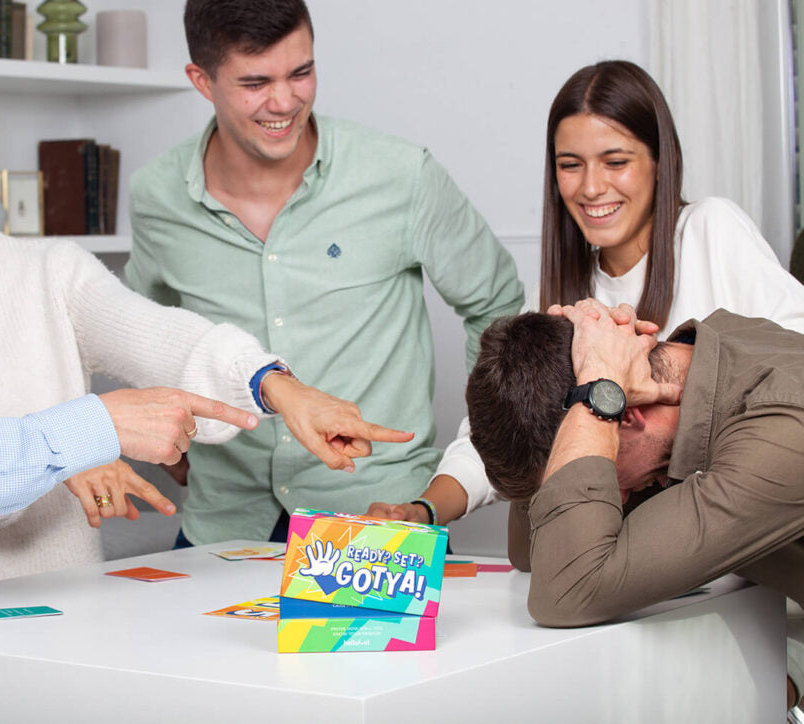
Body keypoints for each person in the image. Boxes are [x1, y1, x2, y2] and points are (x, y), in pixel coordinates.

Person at [0, 37, 409, 617]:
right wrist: (74, 444)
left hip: (70, 593)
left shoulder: (46, 268)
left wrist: (277, 385)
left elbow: (162, 334)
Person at [125, 0, 524, 546]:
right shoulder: (157, 197)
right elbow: (141, 330)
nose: (285, 101)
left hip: (377, 519)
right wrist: (170, 437)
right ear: (202, 80)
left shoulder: (402, 176)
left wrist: (477, 449)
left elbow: (497, 303)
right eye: (256, 82)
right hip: (223, 525)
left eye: (301, 72)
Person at [368, 59, 804, 528]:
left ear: (660, 162)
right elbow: (493, 435)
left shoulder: (710, 229)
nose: (592, 187)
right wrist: (422, 510)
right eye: (570, 166)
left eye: (616, 162)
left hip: (720, 532)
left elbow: (792, 351)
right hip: (620, 542)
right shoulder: (559, 291)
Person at [466, 299, 804, 712]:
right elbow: (532, 553)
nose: (618, 496)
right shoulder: (694, 373)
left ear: (626, 416)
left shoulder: (784, 426)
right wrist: (587, 371)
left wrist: (597, 388)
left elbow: (568, 589)